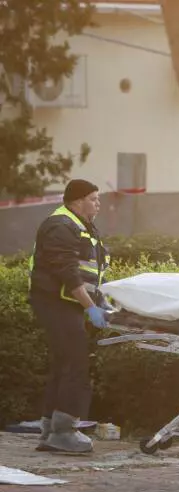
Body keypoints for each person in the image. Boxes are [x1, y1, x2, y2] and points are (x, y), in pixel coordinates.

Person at [29, 179, 110, 454]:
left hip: (68, 304)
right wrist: (89, 306)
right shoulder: (61, 225)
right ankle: (63, 432)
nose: (98, 204)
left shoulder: (81, 225)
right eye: (94, 199)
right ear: (78, 200)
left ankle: (51, 430)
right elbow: (67, 271)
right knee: (76, 365)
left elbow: (89, 272)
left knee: (65, 364)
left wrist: (101, 302)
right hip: (57, 303)